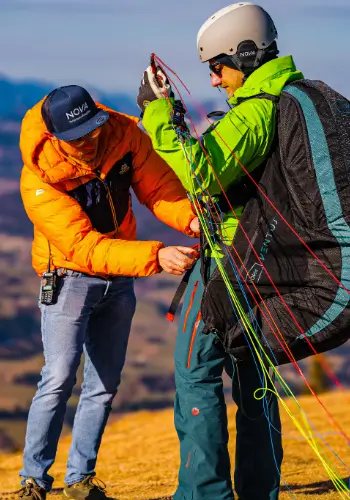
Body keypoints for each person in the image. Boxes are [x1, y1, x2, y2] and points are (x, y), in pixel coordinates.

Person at [136, 3, 306, 499]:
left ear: (246, 55)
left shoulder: (255, 112)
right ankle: (259, 491)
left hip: (230, 263)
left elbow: (202, 173)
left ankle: (203, 493)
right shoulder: (287, 98)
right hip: (271, 262)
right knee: (255, 380)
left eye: (218, 66)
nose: (213, 80)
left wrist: (156, 113)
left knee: (197, 376)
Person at [18, 84, 200, 500]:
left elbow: (159, 190)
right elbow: (84, 248)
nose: (90, 140)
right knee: (59, 377)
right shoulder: (38, 178)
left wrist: (189, 219)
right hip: (68, 278)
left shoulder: (123, 134)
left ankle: (80, 480)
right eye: (77, 136)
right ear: (55, 136)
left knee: (104, 382)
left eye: (93, 128)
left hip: (119, 280)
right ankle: (33, 480)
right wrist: (156, 257)